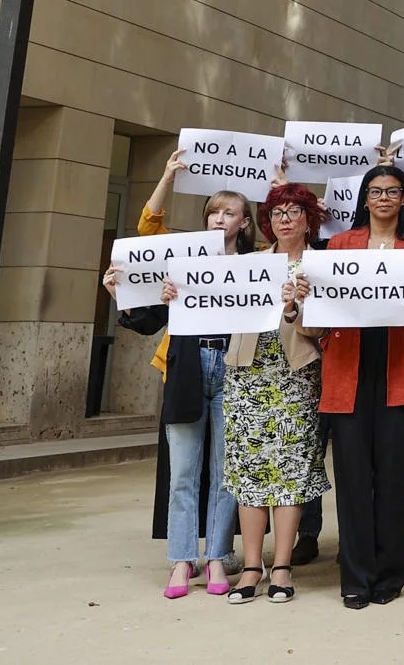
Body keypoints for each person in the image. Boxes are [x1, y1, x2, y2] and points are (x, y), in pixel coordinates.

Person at [101, 151, 250, 597]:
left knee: (226, 472)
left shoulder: (258, 261)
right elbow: (148, 226)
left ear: (244, 222)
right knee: (183, 470)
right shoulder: (181, 256)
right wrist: (167, 174)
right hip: (186, 366)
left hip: (236, 368)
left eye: (229, 213)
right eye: (212, 212)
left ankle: (218, 558)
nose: (218, 219)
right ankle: (182, 560)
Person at [301, 165, 404, 609]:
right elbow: (320, 317)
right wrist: (303, 298)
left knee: (394, 478)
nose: (383, 198)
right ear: (364, 198)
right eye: (375, 191)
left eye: (392, 191)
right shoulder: (338, 245)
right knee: (354, 478)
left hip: (399, 367)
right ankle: (355, 576)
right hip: (348, 370)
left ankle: (391, 572)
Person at [205, 183, 330, 605]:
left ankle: (282, 566)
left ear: (309, 218)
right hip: (246, 376)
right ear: (267, 220)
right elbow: (214, 308)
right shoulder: (247, 263)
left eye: (295, 211)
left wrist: (296, 309)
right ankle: (252, 566)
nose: (285, 218)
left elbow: (325, 328)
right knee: (250, 474)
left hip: (295, 377)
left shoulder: (322, 265)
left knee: (290, 474)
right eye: (278, 211)